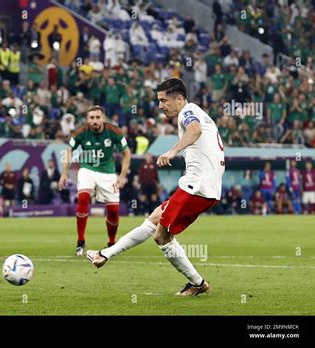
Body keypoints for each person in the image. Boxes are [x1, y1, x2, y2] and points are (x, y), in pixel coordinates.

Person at [86, 78, 225, 296]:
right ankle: (105, 253)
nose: (160, 105)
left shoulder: (188, 112)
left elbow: (195, 130)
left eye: (164, 100)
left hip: (196, 187)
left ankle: (198, 284)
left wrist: (172, 151)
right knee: (154, 218)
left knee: (161, 237)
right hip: (201, 185)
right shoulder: (195, 112)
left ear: (179, 99)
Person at [58, 105, 131, 256]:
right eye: (91, 118)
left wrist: (122, 176)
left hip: (108, 174)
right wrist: (64, 173)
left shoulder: (114, 131)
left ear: (103, 118)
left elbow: (126, 152)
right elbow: (69, 150)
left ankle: (111, 242)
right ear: (87, 120)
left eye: (98, 117)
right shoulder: (81, 132)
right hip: (87, 170)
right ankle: (80, 241)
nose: (95, 121)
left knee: (113, 212)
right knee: (83, 198)